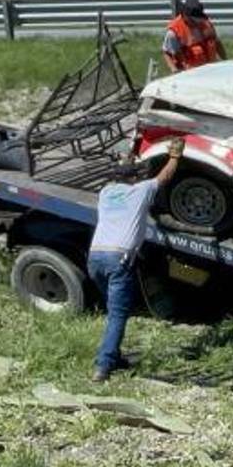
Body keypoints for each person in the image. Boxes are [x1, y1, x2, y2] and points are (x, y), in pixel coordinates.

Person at [87, 138, 184, 382]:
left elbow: (121, 174)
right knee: (117, 315)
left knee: (113, 311)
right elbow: (164, 177)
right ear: (134, 179)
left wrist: (127, 157)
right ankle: (103, 365)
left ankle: (114, 356)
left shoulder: (106, 193)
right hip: (118, 259)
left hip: (95, 257)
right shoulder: (140, 191)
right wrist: (175, 156)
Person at [163, 0, 227, 73]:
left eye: (199, 20)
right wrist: (175, 70)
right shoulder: (173, 33)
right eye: (193, 20)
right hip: (189, 74)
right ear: (185, 15)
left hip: (211, 70)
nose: (197, 23)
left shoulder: (206, 24)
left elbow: (217, 43)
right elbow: (167, 53)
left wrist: (226, 62)